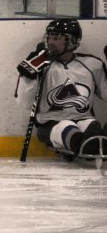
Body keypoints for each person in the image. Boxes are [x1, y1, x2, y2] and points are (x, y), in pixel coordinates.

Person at [15, 18, 107, 156]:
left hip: (85, 120)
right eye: (50, 37)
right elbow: (25, 103)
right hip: (50, 124)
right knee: (68, 129)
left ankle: (96, 145)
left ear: (73, 41)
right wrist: (29, 78)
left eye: (57, 38)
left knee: (93, 129)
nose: (51, 42)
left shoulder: (93, 65)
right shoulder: (41, 64)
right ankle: (92, 146)